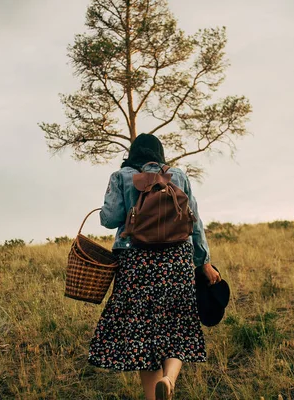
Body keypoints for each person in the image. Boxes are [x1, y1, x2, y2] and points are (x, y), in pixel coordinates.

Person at [87, 133, 221, 400]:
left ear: (133, 153)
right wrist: (203, 262)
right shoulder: (179, 176)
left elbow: (110, 218)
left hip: (136, 262)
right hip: (176, 261)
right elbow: (195, 222)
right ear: (159, 154)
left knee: (143, 333)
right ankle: (168, 380)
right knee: (179, 326)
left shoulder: (120, 176)